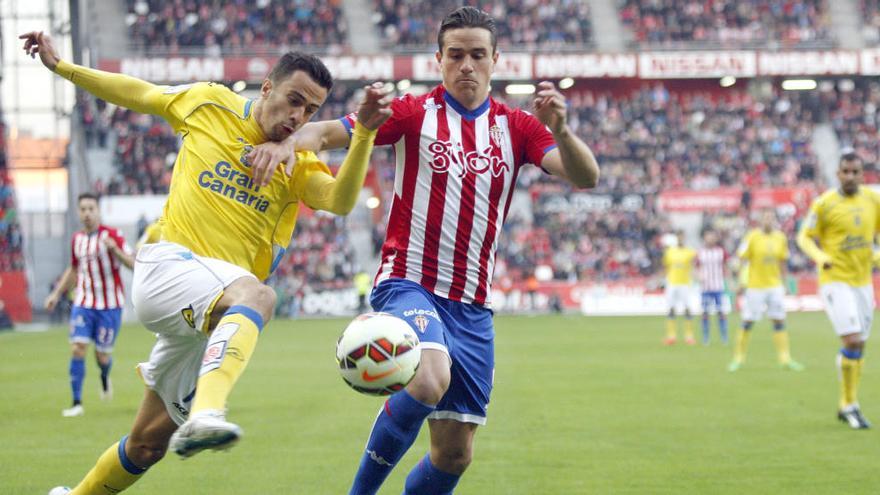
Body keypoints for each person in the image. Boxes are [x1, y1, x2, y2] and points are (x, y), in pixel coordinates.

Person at [22, 29, 392, 494]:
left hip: (212, 309)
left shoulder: (295, 159)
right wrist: (63, 68)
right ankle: (209, 412)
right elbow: (139, 93)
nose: (298, 116)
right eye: (293, 100)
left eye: (311, 110)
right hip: (167, 266)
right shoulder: (210, 105)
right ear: (266, 88)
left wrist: (364, 133)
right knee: (260, 295)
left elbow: (338, 200)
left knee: (147, 444)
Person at [249, 7, 598, 494]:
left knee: (454, 454)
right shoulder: (415, 113)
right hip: (408, 282)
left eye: (478, 55)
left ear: (496, 59)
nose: (467, 65)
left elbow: (586, 176)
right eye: (456, 55)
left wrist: (560, 128)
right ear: (438, 59)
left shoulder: (517, 127)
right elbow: (329, 132)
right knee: (429, 378)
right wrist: (290, 146)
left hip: (473, 306)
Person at [797, 152, 879, 429]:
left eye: (855, 172)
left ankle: (847, 404)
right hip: (836, 280)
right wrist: (821, 258)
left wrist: (876, 256)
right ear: (838, 174)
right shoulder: (824, 204)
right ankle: (849, 405)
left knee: (860, 344)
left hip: (863, 282)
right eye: (845, 171)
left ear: (862, 174)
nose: (850, 176)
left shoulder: (872, 200)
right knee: (853, 340)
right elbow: (804, 236)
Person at [44, 192, 134, 417]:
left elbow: (133, 264)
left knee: (102, 356)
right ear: (78, 212)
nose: (87, 213)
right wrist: (56, 294)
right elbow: (74, 270)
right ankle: (76, 403)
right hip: (83, 302)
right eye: (83, 209)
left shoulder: (113, 235)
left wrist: (114, 249)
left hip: (110, 306)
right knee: (77, 348)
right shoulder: (77, 239)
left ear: (98, 211)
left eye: (91, 209)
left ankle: (104, 375)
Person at [730, 210, 803, 372]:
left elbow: (782, 263)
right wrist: (741, 282)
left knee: (779, 320)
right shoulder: (752, 237)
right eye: (765, 218)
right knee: (748, 321)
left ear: (774, 220)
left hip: (774, 286)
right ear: (760, 221)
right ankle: (738, 358)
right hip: (755, 286)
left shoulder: (780, 238)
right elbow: (742, 260)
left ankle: (785, 358)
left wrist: (786, 284)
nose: (768, 221)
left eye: (771, 218)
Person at [662, 231, 696, 345]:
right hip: (672, 283)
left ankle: (689, 336)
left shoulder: (690, 252)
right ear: (676, 238)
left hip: (685, 283)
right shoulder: (670, 252)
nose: (680, 239)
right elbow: (665, 266)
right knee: (671, 309)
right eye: (679, 237)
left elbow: (695, 264)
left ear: (684, 238)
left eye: (682, 237)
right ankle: (671, 336)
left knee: (687, 308)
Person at [696, 229, 729, 345]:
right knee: (705, 313)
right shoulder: (700, 252)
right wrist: (698, 276)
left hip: (718, 287)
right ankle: (706, 337)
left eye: (712, 236)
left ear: (716, 238)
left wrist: (729, 281)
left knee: (721, 312)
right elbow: (696, 268)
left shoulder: (721, 252)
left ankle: (724, 337)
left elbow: (726, 267)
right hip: (705, 288)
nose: (710, 238)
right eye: (708, 236)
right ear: (704, 238)